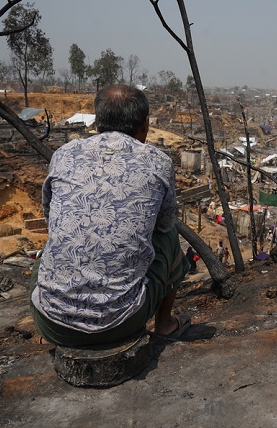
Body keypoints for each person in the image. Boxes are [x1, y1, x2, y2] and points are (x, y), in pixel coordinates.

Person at [31, 85, 191, 347]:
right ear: (144, 124)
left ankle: (52, 331)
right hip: (121, 322)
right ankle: (165, 324)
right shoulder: (158, 162)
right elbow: (163, 224)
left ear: (97, 122)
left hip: (52, 323)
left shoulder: (63, 155)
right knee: (170, 236)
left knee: (48, 251)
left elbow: (51, 221)